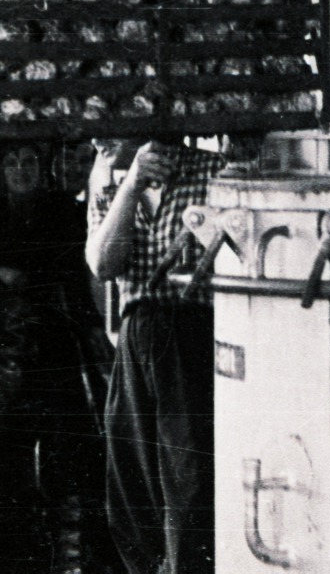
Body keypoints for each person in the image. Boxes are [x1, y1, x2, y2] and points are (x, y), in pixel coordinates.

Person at [0, 144, 112, 573]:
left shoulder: (66, 212)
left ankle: (67, 557)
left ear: (43, 168)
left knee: (68, 453)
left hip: (57, 346)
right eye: (12, 162)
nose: (21, 170)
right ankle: (3, 555)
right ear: (0, 170)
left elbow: (77, 280)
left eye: (29, 162)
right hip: (0, 351)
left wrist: (92, 331)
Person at [85, 137, 228, 574]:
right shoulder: (109, 179)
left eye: (110, 124)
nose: (98, 139)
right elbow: (103, 264)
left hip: (190, 330)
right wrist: (129, 185)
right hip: (136, 331)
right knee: (130, 474)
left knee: (188, 475)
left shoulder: (212, 171)